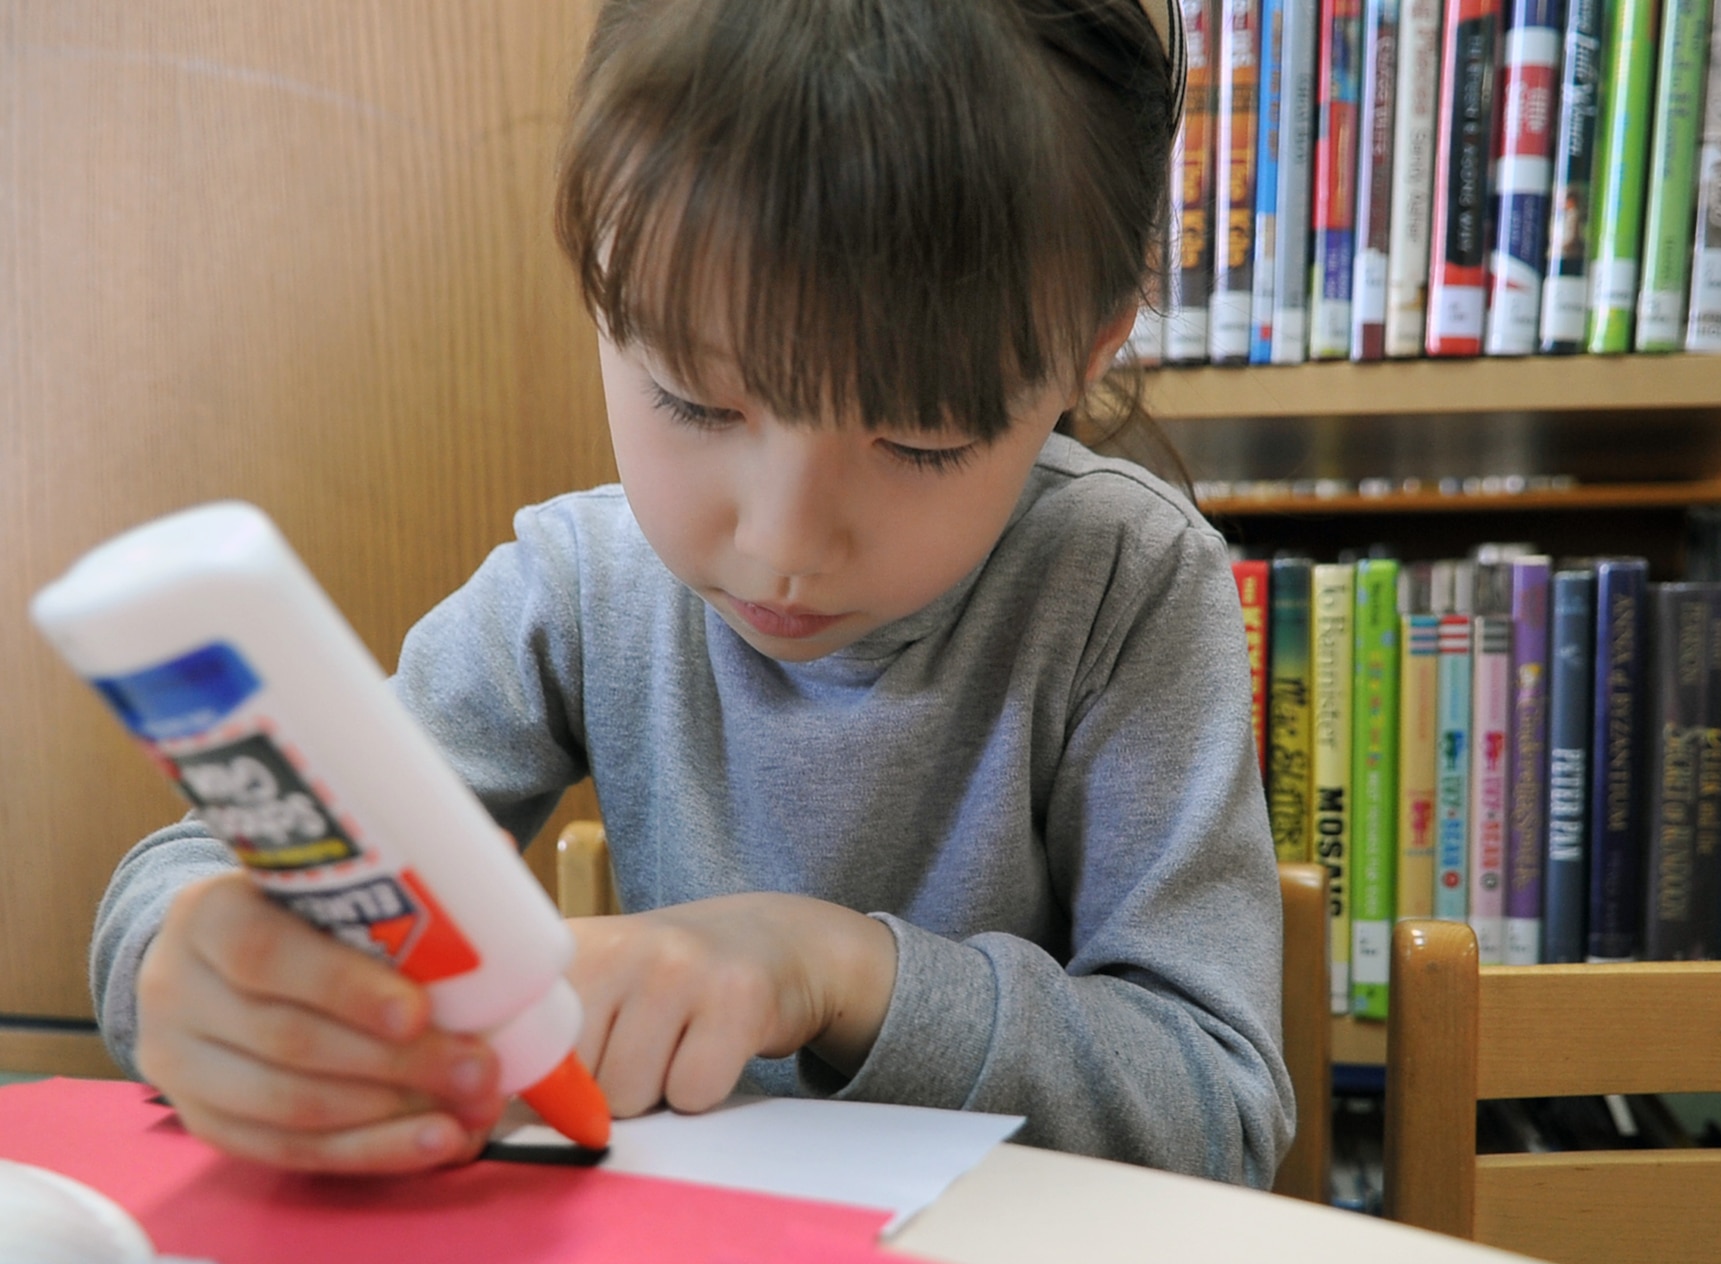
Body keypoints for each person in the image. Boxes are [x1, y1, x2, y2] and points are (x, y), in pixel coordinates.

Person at [90, 0, 1291, 1186]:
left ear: (1088, 350)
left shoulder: (1123, 585)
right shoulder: (578, 586)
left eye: (920, 439)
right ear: (600, 279)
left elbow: (1214, 1110)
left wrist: (829, 966)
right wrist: (196, 964)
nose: (780, 543)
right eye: (696, 400)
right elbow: (210, 870)